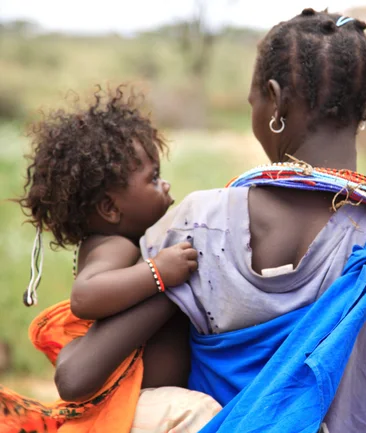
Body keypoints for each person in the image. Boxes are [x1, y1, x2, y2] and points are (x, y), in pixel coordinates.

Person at [53, 9, 366, 433]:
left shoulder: (197, 228)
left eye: (253, 102)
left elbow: (80, 374)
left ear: (275, 99)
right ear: (365, 107)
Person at [0, 86, 221, 433]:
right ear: (110, 208)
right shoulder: (114, 246)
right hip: (130, 407)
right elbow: (85, 296)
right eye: (153, 178)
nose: (165, 186)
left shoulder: (122, 243)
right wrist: (159, 273)